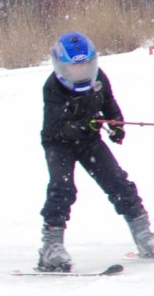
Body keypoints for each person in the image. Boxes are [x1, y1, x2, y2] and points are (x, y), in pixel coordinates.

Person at [37, 31, 154, 271]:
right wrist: (81, 126)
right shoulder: (52, 87)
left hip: (89, 141)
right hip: (58, 143)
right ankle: (51, 247)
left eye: (85, 66)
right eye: (74, 68)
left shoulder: (99, 77)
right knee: (62, 188)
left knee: (118, 183)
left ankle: (144, 235)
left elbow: (109, 102)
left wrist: (116, 124)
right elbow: (56, 126)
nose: (81, 73)